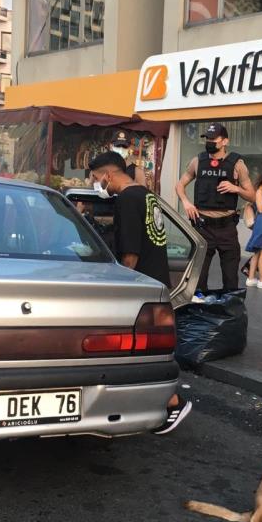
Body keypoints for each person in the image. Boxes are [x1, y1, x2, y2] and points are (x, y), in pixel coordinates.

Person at [88, 151, 192, 434]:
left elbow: (130, 251)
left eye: (97, 179)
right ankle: (162, 400)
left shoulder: (125, 200)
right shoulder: (146, 195)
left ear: (108, 175)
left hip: (139, 285)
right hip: (157, 282)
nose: (96, 184)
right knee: (150, 352)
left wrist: (121, 287)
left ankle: (172, 402)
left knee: (135, 353)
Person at [176, 123, 255, 295]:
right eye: (207, 138)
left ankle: (230, 313)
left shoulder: (237, 164)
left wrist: (237, 189)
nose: (209, 142)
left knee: (230, 278)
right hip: (202, 227)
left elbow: (252, 196)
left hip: (227, 228)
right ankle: (199, 312)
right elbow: (180, 185)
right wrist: (186, 202)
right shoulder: (198, 161)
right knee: (198, 277)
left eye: (214, 139)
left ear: (225, 141)